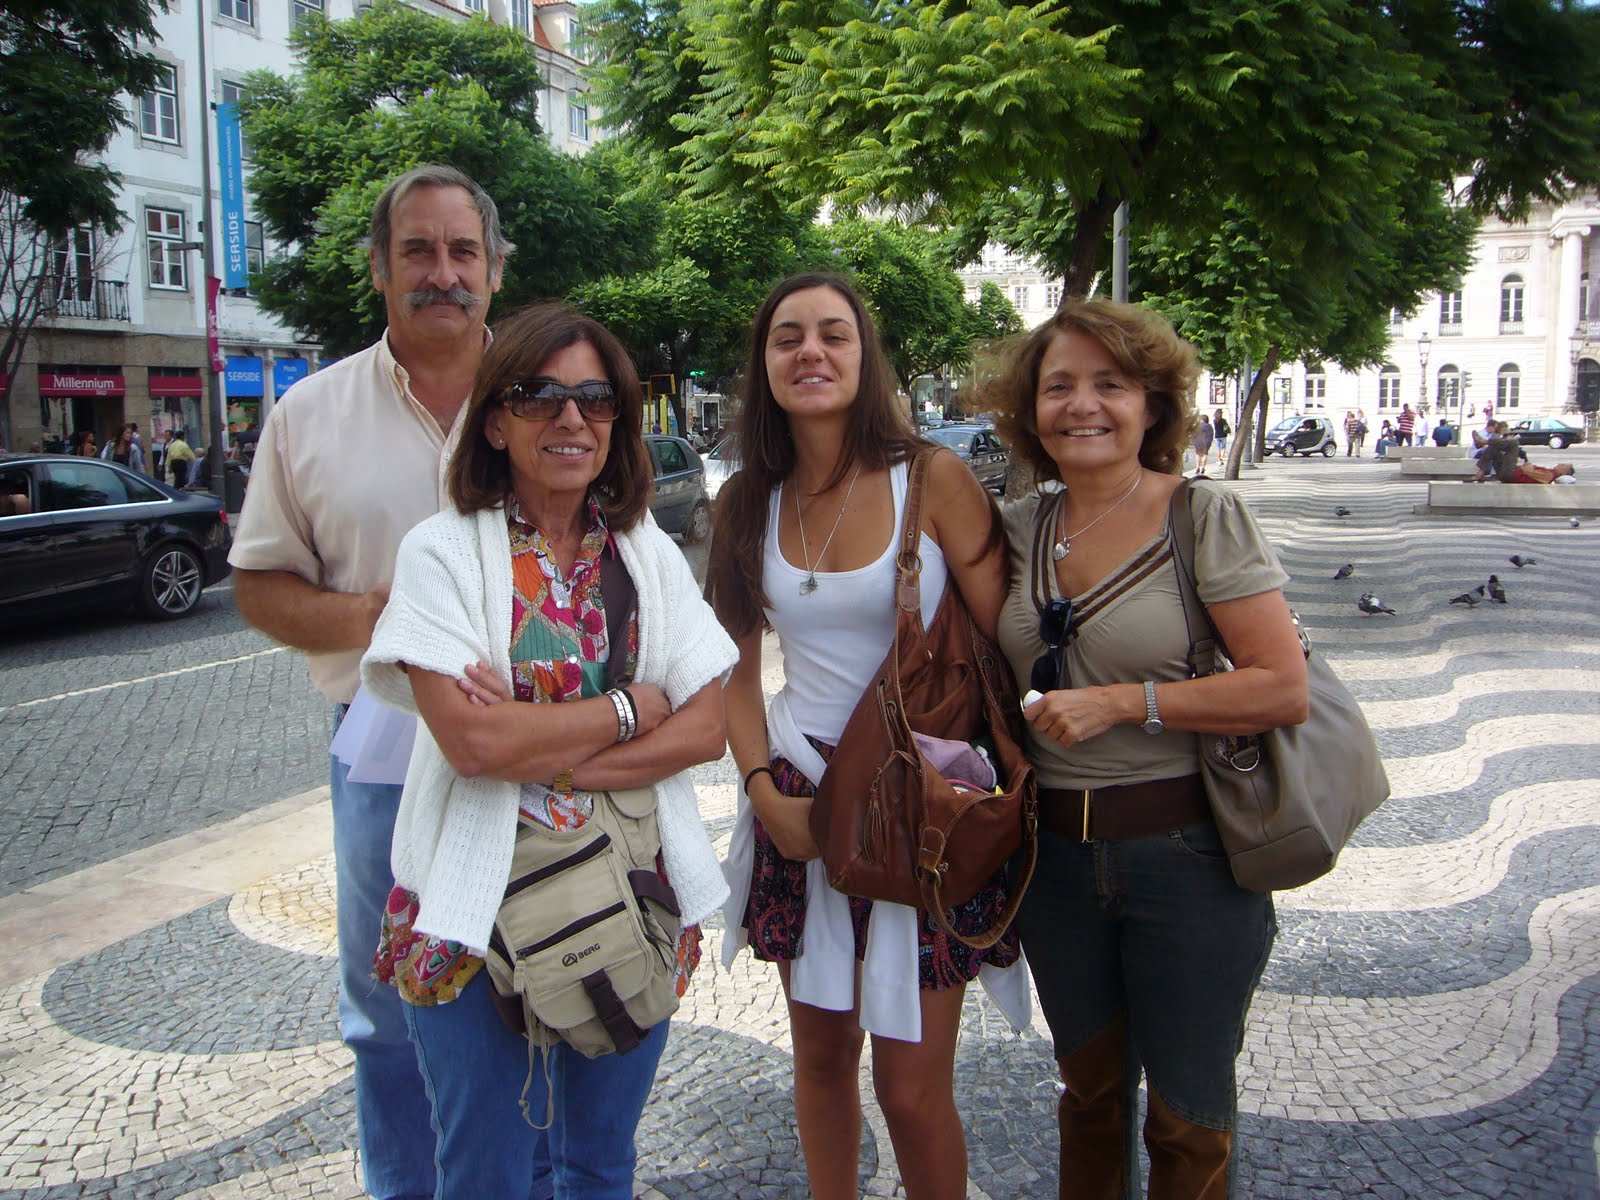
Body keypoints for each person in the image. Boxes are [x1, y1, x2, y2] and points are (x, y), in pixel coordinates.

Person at [360, 302, 737, 1198]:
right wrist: (629, 710)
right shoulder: (441, 554)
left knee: (598, 1165)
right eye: (539, 396)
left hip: (628, 897)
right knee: (485, 1173)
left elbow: (706, 728)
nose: (572, 418)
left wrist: (539, 746)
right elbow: (472, 740)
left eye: (596, 399)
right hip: (474, 912)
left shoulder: (645, 555)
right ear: (496, 421)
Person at [707, 272, 1029, 1200]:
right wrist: (763, 792)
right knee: (819, 1062)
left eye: (833, 334)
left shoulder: (933, 478)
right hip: (800, 800)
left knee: (912, 1091)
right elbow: (734, 672)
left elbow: (1002, 647)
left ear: (864, 356)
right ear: (765, 366)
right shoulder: (749, 502)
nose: (810, 351)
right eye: (788, 337)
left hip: (919, 809)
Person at [229, 164, 508, 1200]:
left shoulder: (549, 395)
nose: (443, 272)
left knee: (545, 981)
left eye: (463, 251)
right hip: (385, 750)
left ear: (494, 268)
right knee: (389, 1010)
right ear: (381, 270)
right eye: (417, 251)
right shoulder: (309, 413)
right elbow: (258, 583)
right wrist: (372, 620)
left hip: (544, 743)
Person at [989, 298, 1308, 1199]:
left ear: (1152, 405)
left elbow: (1281, 686)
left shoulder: (1201, 516)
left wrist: (1124, 704)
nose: (1083, 405)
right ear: (1031, 411)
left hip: (1188, 860)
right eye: (1059, 386)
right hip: (1054, 863)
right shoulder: (1018, 528)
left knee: (1186, 1116)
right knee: (1088, 1097)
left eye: (1111, 385)